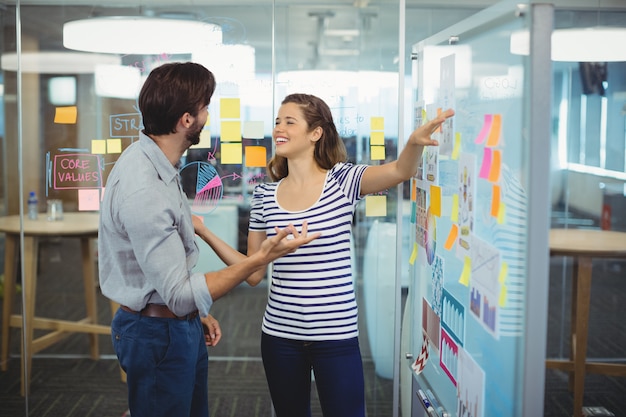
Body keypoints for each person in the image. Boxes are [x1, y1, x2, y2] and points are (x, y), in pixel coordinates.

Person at [98, 63, 320, 417]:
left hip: (171, 324)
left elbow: (170, 284)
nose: (207, 115)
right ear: (187, 119)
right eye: (204, 107)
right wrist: (260, 257)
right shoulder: (145, 188)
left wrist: (188, 316)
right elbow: (181, 293)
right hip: (158, 335)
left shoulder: (156, 164)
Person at [246, 93, 454, 416]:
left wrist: (413, 143)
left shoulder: (344, 181)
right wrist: (205, 234)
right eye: (277, 122)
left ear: (316, 133)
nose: (279, 129)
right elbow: (252, 272)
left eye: (289, 122)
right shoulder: (264, 194)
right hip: (279, 336)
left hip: (335, 336)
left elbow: (400, 170)